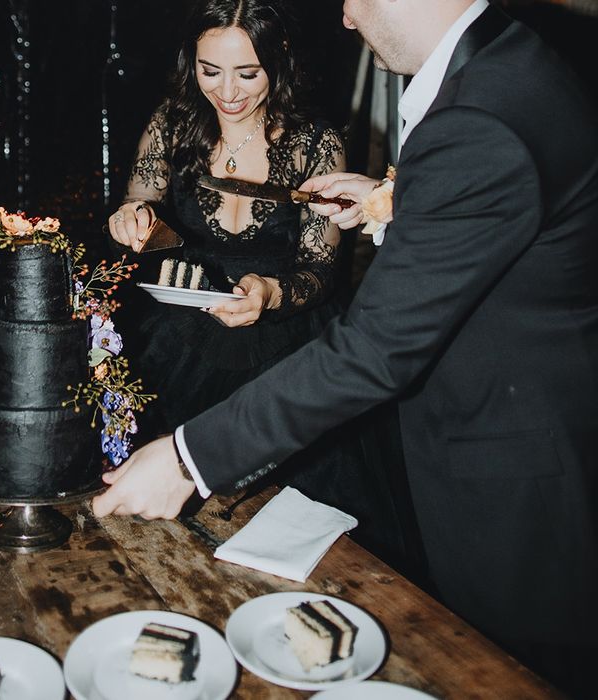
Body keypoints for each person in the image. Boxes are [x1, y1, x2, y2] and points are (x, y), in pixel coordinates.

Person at [93, 0, 598, 695]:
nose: (347, 19)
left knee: (502, 674)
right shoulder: (511, 62)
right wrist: (393, 199)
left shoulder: (480, 115)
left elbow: (375, 349)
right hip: (504, 440)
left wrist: (189, 459)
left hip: (515, 482)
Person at [105, 0, 417, 557]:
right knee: (161, 528)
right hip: (182, 329)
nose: (227, 91)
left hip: (287, 338)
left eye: (248, 73)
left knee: (297, 530)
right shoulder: (171, 123)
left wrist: (271, 293)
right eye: (210, 70)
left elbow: (321, 267)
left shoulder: (314, 143)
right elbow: (141, 197)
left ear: (280, 60)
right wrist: (132, 216)